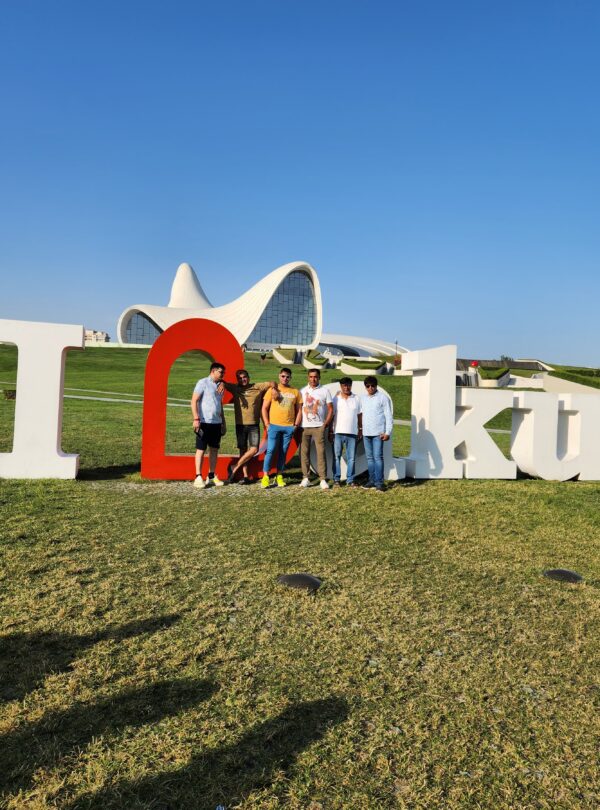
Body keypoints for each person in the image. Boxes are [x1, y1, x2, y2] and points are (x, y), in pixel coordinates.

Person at [223, 369, 277, 484]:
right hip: (240, 425)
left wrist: (274, 389)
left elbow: (272, 382)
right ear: (237, 379)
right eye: (240, 378)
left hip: (253, 425)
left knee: (254, 449)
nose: (243, 380)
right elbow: (221, 382)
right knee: (243, 451)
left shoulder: (257, 387)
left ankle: (234, 468)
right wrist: (222, 384)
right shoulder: (235, 388)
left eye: (245, 377)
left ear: (249, 377)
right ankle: (246, 476)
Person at [261, 368, 302, 489]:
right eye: (283, 376)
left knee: (283, 452)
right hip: (274, 426)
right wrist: (267, 424)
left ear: (290, 378)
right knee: (271, 450)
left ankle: (279, 475)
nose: (285, 378)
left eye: (287, 377)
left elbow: (299, 410)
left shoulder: (295, 391)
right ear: (279, 376)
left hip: (288, 427)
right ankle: (266, 476)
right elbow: (264, 408)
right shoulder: (272, 390)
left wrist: (296, 425)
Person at [191, 362, 226, 488]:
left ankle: (211, 475)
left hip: (216, 423)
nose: (222, 375)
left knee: (214, 449)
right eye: (221, 372)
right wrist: (196, 418)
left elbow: (219, 405)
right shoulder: (203, 382)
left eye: (223, 373)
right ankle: (198, 476)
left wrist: (223, 422)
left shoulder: (221, 386)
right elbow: (194, 400)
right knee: (200, 449)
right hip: (204, 422)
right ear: (213, 371)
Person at [299, 368, 333, 490]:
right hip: (304, 427)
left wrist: (325, 424)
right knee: (304, 453)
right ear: (308, 377)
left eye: (315, 377)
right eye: (311, 377)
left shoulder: (325, 391)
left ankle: (322, 479)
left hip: (319, 427)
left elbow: (330, 409)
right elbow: (298, 408)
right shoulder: (302, 391)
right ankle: (306, 478)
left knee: (321, 453)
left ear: (319, 377)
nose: (313, 379)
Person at [360, 375, 393, 492]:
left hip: (378, 434)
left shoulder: (383, 398)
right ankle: (371, 481)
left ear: (376, 386)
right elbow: (361, 415)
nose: (370, 388)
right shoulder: (363, 398)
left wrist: (387, 432)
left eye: (373, 386)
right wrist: (360, 430)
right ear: (365, 387)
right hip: (366, 433)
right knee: (369, 459)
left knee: (378, 458)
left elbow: (388, 416)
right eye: (368, 386)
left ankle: (379, 483)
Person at [328, 377, 362, 488]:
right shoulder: (336, 398)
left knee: (351, 458)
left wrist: (360, 429)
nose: (346, 387)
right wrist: (330, 431)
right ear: (341, 386)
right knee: (336, 456)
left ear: (351, 386)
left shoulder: (356, 398)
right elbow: (332, 415)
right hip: (338, 432)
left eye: (348, 385)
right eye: (344, 385)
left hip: (352, 433)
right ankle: (337, 480)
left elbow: (359, 415)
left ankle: (350, 480)